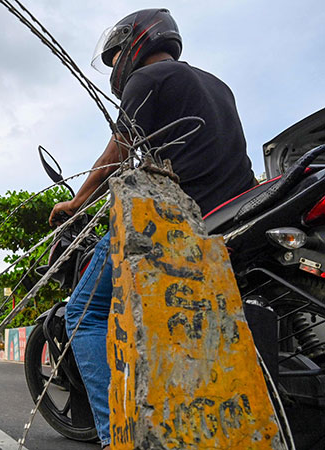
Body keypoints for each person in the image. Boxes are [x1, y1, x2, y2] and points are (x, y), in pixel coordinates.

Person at [49, 9, 255, 448]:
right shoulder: (217, 85)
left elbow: (117, 153)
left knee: (81, 315)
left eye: (116, 54)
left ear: (136, 43)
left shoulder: (148, 80)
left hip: (177, 222)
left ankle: (115, 437)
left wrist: (77, 200)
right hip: (232, 215)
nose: (116, 65)